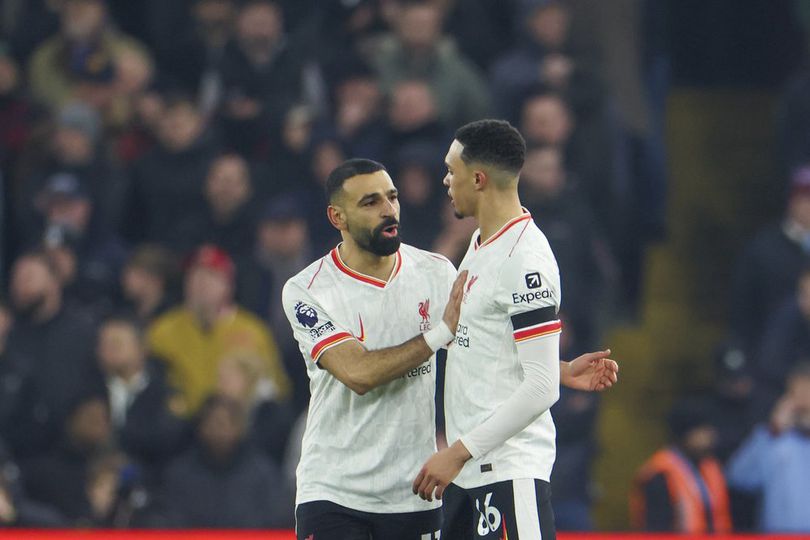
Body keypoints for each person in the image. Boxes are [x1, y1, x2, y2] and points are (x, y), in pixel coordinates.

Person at [283, 157, 617, 539]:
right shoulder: (308, 289)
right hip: (334, 493)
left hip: (416, 491)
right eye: (370, 202)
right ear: (337, 217)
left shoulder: (436, 272)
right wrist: (438, 334)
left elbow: (478, 346)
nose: (389, 210)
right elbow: (358, 373)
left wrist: (557, 369)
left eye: (392, 197)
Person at [413, 119, 613, 539]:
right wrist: (558, 367)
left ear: (478, 179)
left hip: (507, 471)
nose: (445, 180)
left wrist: (456, 452)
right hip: (469, 474)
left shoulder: (525, 259)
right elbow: (492, 347)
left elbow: (541, 389)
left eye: (451, 170)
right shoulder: (481, 244)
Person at [726, 362, 810, 533]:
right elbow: (738, 478)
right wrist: (773, 431)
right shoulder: (772, 438)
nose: (803, 399)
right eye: (796, 392)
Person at [629, 397, 732, 534]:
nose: (710, 437)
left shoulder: (709, 467)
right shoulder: (660, 475)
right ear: (684, 435)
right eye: (702, 431)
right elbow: (656, 529)